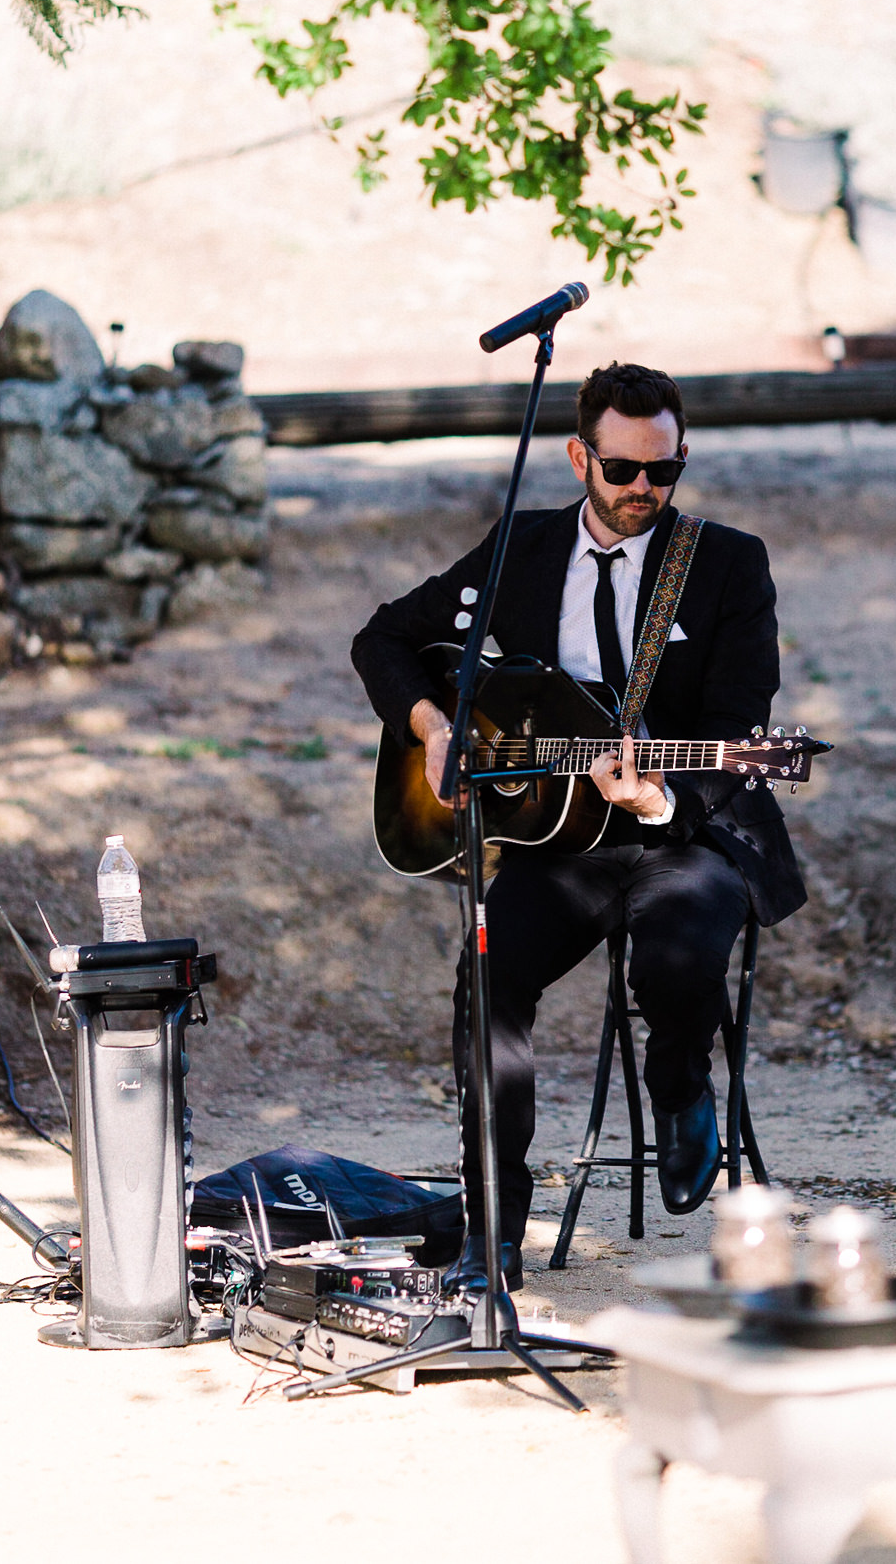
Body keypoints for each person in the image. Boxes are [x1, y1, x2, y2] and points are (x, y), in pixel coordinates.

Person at [351, 361, 806, 1291]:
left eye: (664, 471)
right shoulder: (521, 548)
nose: (644, 490)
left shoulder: (725, 564)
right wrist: (434, 727)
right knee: (487, 976)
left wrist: (657, 796)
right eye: (623, 470)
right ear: (577, 457)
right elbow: (384, 639)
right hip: (556, 847)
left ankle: (680, 1086)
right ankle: (493, 1230)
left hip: (683, 833)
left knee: (677, 954)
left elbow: (734, 722)